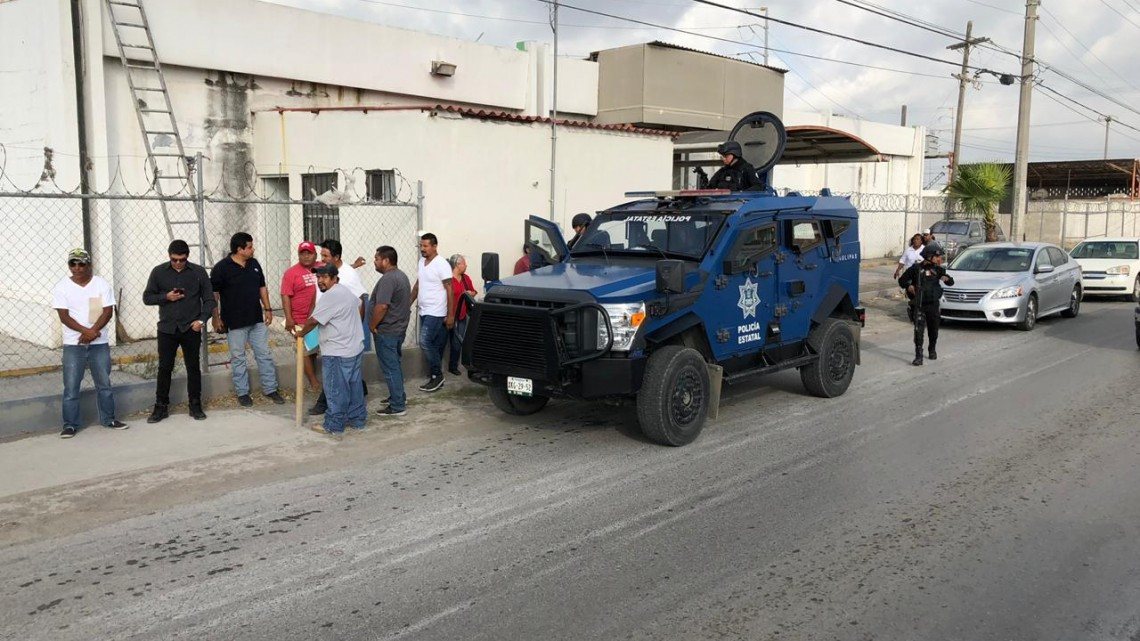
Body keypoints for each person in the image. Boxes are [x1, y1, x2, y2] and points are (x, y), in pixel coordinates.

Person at [52, 248, 127, 438]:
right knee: (71, 386)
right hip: (73, 344)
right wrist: (85, 331)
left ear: (89, 265)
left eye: (81, 264)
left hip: (99, 343)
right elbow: (64, 316)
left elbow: (107, 312)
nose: (77, 268)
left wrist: (93, 332)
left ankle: (109, 419)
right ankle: (70, 424)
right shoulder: (62, 287)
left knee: (104, 383)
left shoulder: (100, 284)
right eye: (73, 264)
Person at [142, 239, 216, 423]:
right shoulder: (158, 272)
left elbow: (209, 300)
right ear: (169, 256)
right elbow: (147, 297)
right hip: (167, 328)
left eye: (181, 260)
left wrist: (202, 320)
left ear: (187, 257)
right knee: (164, 367)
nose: (178, 263)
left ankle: (195, 404)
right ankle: (160, 406)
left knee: (193, 367)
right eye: (174, 260)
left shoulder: (198, 272)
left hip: (191, 327)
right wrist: (165, 297)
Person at [211, 232, 285, 407]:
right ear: (240, 249)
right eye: (250, 247)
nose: (253, 249)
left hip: (256, 320)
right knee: (238, 358)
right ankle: (242, 392)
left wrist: (268, 309)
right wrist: (215, 317)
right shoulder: (222, 268)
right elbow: (214, 294)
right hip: (235, 322)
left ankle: (271, 389)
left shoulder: (254, 264)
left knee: (264, 355)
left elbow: (262, 287)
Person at [298, 264, 368, 438]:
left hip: (338, 350)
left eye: (324, 277)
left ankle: (334, 425)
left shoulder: (332, 296)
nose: (320, 281)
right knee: (353, 386)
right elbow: (359, 304)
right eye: (318, 277)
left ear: (334, 278)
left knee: (335, 389)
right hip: (353, 347)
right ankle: (357, 419)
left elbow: (313, 321)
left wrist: (300, 333)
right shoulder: (344, 291)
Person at [309, 239, 369, 415]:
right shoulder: (323, 272)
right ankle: (355, 409)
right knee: (346, 377)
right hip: (327, 329)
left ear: (336, 257)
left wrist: (355, 327)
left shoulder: (348, 275)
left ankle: (332, 415)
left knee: (335, 376)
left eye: (326, 256)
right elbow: (318, 298)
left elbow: (360, 300)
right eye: (322, 255)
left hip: (341, 337)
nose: (322, 258)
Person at [368, 245, 411, 417]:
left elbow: (382, 306)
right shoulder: (401, 276)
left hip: (387, 331)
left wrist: (372, 325)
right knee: (395, 365)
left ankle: (397, 406)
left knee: (390, 367)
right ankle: (399, 396)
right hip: (397, 329)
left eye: (377, 259)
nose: (375, 261)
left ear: (386, 261)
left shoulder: (388, 279)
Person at [410, 233, 455, 393]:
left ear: (435, 246)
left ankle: (437, 375)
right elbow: (418, 284)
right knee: (434, 344)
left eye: (426, 246)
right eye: (421, 246)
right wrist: (408, 303)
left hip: (436, 311)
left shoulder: (441, 264)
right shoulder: (422, 262)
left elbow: (450, 290)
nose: (422, 249)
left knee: (425, 341)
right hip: (424, 309)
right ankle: (435, 377)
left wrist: (450, 315)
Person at [897, 245, 954, 366]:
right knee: (918, 331)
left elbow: (950, 282)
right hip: (919, 304)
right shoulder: (915, 269)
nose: (939, 259)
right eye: (937, 256)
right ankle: (918, 355)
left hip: (933, 305)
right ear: (929, 256)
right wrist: (908, 286)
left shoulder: (938, 270)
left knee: (933, 329)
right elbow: (902, 280)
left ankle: (932, 349)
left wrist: (947, 279)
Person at [281, 241, 321, 391]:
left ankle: (314, 377)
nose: (305, 256)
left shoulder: (322, 267)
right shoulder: (291, 273)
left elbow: (338, 271)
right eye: (302, 253)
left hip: (320, 318)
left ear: (315, 255)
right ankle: (313, 382)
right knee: (303, 350)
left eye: (309, 253)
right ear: (298, 255)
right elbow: (285, 296)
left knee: (313, 349)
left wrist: (354, 266)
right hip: (301, 319)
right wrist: (289, 318)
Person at [446, 254, 478, 376]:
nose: (466, 266)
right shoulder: (448, 278)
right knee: (441, 342)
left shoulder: (466, 278)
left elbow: (474, 291)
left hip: (461, 315)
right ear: (457, 265)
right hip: (448, 315)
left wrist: (471, 293)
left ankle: (453, 366)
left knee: (457, 342)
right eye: (464, 263)